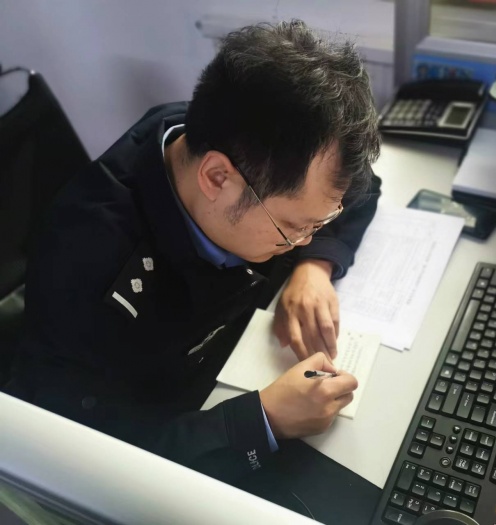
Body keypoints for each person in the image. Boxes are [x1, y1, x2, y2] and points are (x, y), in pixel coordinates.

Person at [9, 19, 382, 500]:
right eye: (292, 228)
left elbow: (355, 194)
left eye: (316, 225)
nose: (302, 239)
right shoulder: (88, 274)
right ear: (216, 179)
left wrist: (315, 266)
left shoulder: (230, 137)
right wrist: (262, 420)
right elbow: (91, 459)